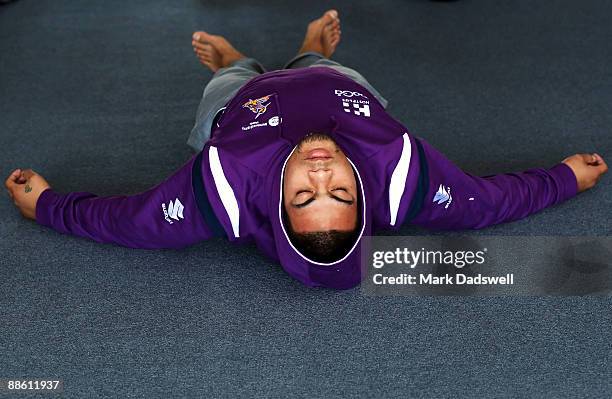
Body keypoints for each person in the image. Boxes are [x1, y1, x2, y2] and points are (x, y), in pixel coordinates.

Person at [5, 10, 607, 289]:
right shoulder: (407, 180)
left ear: (277, 202)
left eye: (304, 194)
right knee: (335, 69)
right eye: (340, 191)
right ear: (362, 195)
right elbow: (492, 202)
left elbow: (129, 222)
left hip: (243, 109)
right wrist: (565, 178)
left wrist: (49, 205)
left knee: (222, 85)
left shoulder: (221, 192)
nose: (320, 171)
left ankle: (233, 58)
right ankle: (310, 51)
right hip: (343, 94)